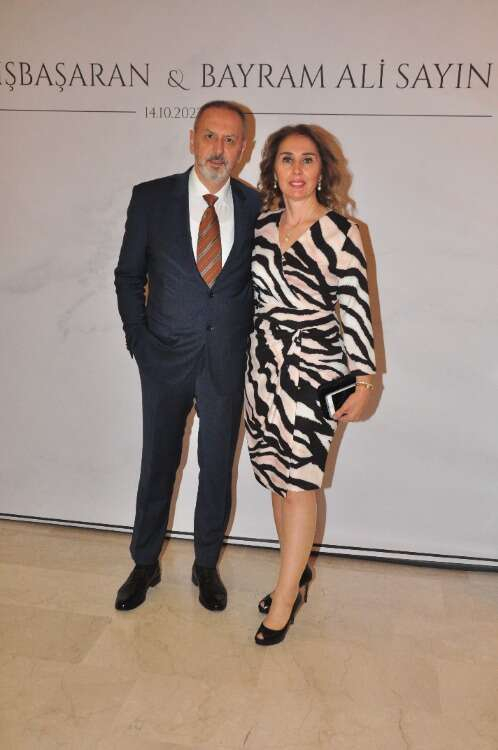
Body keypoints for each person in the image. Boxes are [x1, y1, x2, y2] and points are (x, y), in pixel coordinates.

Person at [114, 100, 261, 612]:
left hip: (225, 361)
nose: (218, 149)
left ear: (243, 149)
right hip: (164, 359)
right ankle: (144, 562)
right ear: (192, 139)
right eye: (210, 137)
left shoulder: (257, 206)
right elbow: (128, 276)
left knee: (217, 468)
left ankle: (206, 565)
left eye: (230, 140)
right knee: (158, 462)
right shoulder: (151, 199)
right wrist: (139, 341)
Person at [244, 124, 376, 645]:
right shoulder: (260, 225)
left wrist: (364, 379)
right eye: (286, 159)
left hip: (315, 369)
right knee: (276, 478)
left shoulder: (344, 231)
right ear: (273, 169)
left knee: (300, 484)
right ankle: (295, 577)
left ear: (323, 170)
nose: (296, 170)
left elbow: (357, 308)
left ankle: (284, 598)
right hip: (262, 367)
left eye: (307, 159)